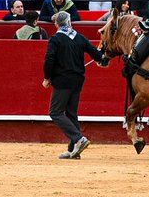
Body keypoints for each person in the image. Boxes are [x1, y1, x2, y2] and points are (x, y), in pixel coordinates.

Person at [42, 10, 109, 160]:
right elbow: (97, 55)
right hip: (78, 80)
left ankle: (78, 139)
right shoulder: (79, 38)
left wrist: (47, 77)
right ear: (70, 22)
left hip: (63, 81)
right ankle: (73, 150)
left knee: (55, 112)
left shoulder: (56, 39)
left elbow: (49, 60)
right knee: (71, 113)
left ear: (56, 24)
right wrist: (104, 58)